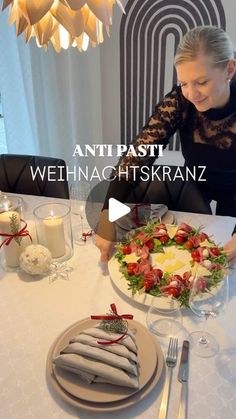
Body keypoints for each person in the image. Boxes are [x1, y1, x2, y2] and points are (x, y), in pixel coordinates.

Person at [95, 25, 236, 264]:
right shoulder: (181, 100)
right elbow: (139, 154)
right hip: (195, 184)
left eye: (201, 82)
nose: (191, 93)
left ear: (229, 69)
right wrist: (109, 212)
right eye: (184, 83)